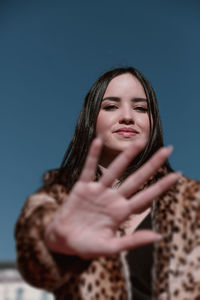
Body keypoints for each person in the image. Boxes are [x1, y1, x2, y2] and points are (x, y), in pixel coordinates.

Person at [15, 67, 200, 299]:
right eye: (111, 106)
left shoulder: (193, 200)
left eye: (141, 108)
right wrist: (55, 245)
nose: (127, 117)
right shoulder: (56, 197)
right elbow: (36, 271)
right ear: (91, 118)